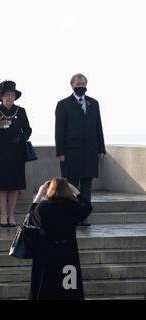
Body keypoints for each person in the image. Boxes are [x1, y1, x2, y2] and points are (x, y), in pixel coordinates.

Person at [28, 177, 92, 300]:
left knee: (46, 287)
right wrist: (75, 190)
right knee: (69, 288)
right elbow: (87, 207)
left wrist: (40, 193)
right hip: (68, 252)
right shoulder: (73, 207)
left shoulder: (43, 207)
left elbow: (31, 217)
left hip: (46, 253)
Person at [55, 73, 106, 226]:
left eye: (83, 83)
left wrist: (101, 148)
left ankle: (84, 216)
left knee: (86, 186)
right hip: (71, 153)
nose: (81, 86)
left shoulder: (93, 103)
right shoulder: (63, 104)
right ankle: (71, 216)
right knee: (71, 186)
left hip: (90, 152)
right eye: (78, 84)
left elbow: (98, 127)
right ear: (72, 85)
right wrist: (60, 152)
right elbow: (59, 130)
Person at [0, 80, 32, 228]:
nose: (10, 98)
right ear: (1, 96)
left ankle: (12, 215)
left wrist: (22, 138)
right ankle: (3, 215)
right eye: (7, 95)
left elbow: (28, 130)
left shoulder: (21, 111)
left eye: (12, 95)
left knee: (14, 186)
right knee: (2, 186)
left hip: (16, 155)